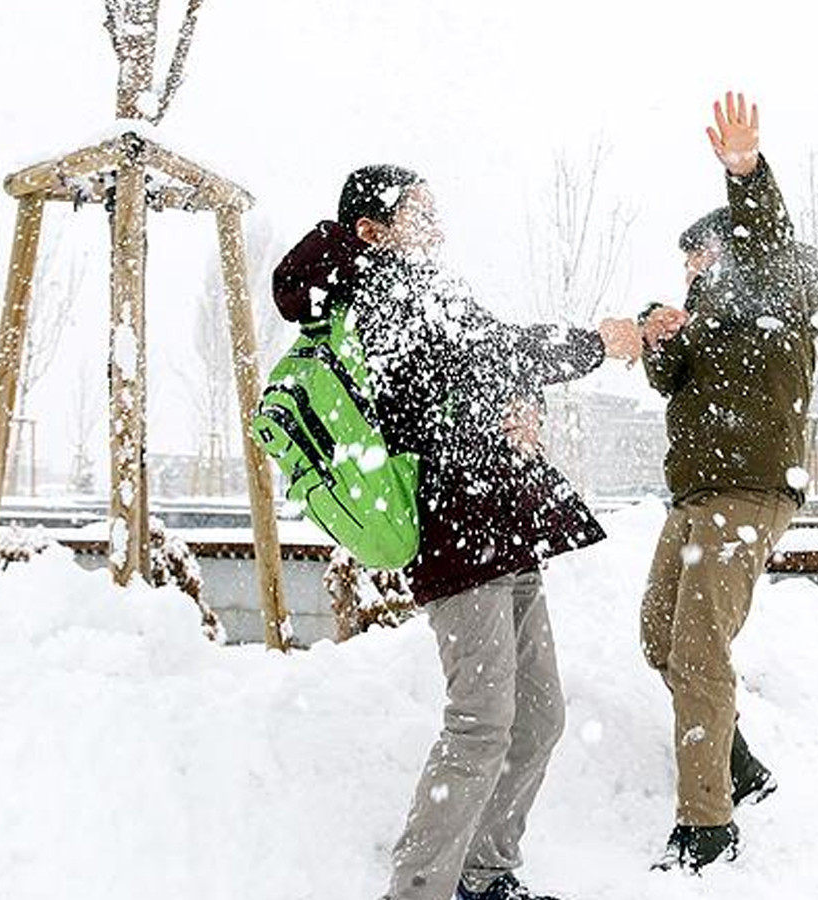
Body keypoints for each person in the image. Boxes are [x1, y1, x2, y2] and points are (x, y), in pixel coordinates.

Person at [272, 164, 642, 900]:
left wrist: (524, 402)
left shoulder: (433, 290)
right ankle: (418, 890)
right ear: (374, 230)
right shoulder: (378, 291)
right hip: (457, 534)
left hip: (505, 525)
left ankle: (486, 875)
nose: (437, 226)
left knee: (538, 716)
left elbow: (489, 359)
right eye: (419, 213)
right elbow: (479, 353)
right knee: (481, 721)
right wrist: (594, 343)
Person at [637, 92, 818, 873]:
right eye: (686, 261)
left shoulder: (778, 289)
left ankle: (707, 826)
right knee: (660, 635)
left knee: (698, 651)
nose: (693, 269)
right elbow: (668, 381)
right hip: (696, 497)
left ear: (734, 250)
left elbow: (768, 238)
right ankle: (738, 762)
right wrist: (658, 334)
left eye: (702, 256)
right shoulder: (705, 320)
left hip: (748, 493)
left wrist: (745, 172)